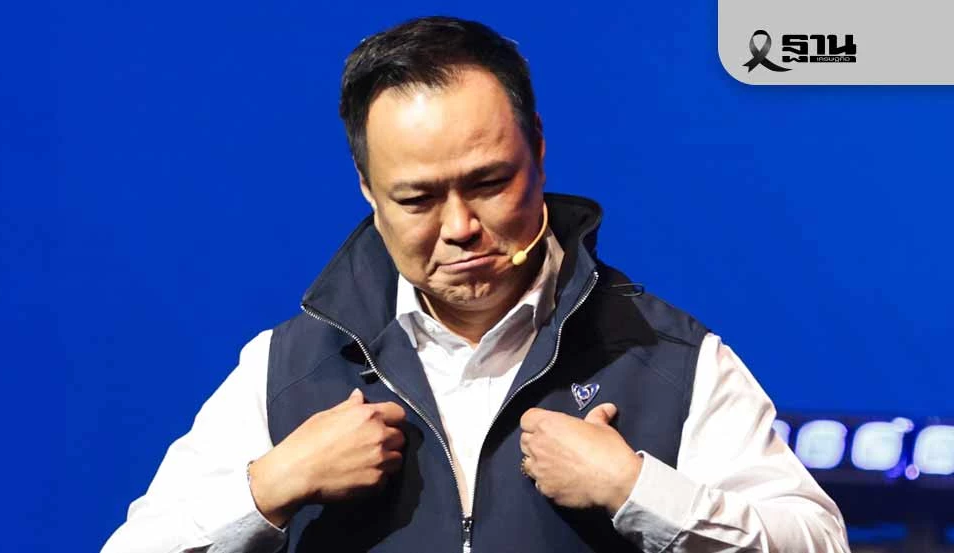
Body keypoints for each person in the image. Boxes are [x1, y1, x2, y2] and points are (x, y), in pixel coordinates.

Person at [102, 15, 850, 553]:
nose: (460, 226)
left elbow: (818, 540)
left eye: (489, 183)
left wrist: (638, 491)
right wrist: (270, 487)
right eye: (418, 198)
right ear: (367, 189)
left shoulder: (672, 358)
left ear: (540, 153)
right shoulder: (284, 372)